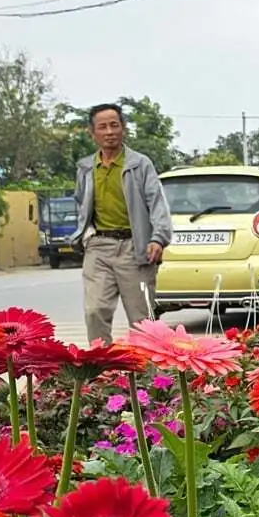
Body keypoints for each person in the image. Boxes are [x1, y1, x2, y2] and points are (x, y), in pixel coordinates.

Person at [74, 102, 173, 343]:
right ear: (92, 133)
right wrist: (83, 235)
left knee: (142, 320)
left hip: (135, 248)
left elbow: (157, 203)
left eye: (114, 125)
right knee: (95, 310)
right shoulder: (86, 168)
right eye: (102, 127)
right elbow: (81, 202)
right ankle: (101, 373)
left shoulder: (140, 164)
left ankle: (151, 378)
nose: (109, 132)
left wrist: (157, 238)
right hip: (99, 246)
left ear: (123, 129)